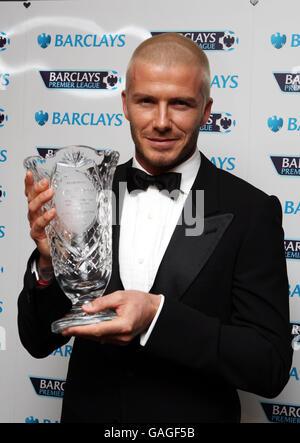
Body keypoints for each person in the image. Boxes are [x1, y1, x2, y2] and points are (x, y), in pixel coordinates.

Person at [18, 33, 292, 423]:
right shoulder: (88, 194)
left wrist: (157, 318)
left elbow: (270, 365)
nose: (161, 122)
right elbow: (35, 340)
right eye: (146, 101)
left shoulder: (250, 211)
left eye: (180, 103)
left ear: (206, 111)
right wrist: (48, 265)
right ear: (126, 103)